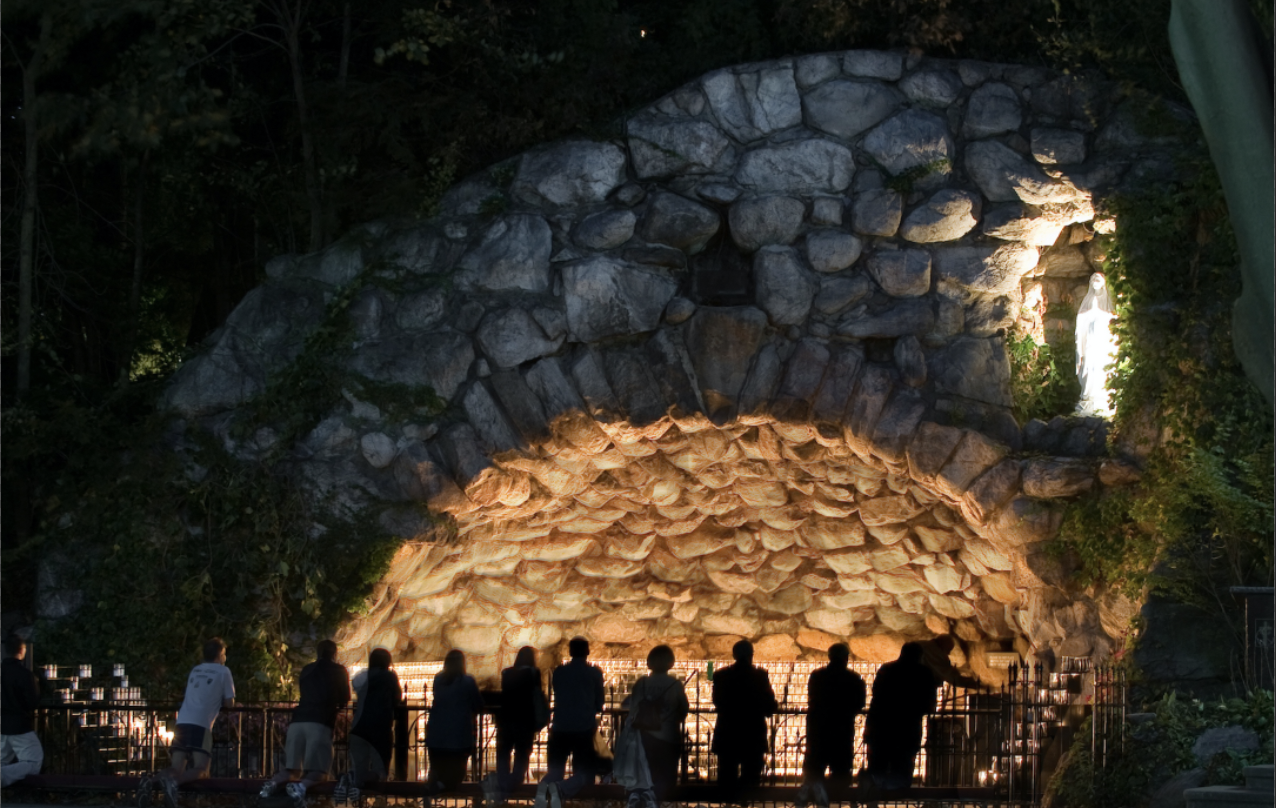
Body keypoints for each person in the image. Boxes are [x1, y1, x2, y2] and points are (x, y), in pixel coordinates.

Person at [143, 638, 235, 808]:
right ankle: (173, 784)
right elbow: (230, 703)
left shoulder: (195, 670)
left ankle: (150, 782)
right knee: (202, 769)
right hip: (201, 723)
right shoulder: (223, 672)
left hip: (183, 720)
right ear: (220, 654)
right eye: (224, 654)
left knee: (176, 767)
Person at [260, 640, 351, 808]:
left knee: (291, 770)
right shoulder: (339, 670)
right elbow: (345, 699)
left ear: (318, 652)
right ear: (335, 653)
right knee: (319, 772)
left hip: (297, 721)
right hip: (319, 722)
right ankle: (300, 787)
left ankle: (272, 783)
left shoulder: (307, 670)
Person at [535, 637, 605, 808]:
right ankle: (564, 791)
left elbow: (557, 691)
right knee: (585, 772)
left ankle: (543, 794)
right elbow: (599, 702)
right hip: (584, 728)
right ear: (587, 651)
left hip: (560, 726)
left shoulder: (559, 672)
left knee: (556, 770)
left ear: (570, 651)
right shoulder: (594, 673)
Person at [798, 643, 865, 808]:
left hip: (818, 730)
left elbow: (812, 698)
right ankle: (828, 794)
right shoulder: (854, 679)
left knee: (814, 769)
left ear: (829, 656)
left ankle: (816, 794)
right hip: (842, 731)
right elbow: (859, 704)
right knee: (842, 773)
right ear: (846, 658)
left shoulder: (816, 676)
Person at [861, 643, 936, 790]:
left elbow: (877, 694)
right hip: (908, 726)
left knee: (878, 763)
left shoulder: (886, 669)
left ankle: (874, 792)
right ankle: (897, 792)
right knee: (902, 764)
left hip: (882, 725)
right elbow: (928, 703)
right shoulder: (924, 673)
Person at [711, 640, 777, 803]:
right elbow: (769, 704)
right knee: (751, 774)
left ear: (734, 655)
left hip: (728, 731)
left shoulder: (720, 675)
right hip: (753, 732)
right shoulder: (760, 675)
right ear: (751, 655)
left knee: (727, 773)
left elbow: (718, 701)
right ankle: (745, 800)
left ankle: (729, 801)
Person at [621, 645, 688, 808]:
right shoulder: (675, 684)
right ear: (670, 663)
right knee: (666, 776)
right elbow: (683, 710)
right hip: (669, 736)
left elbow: (633, 709)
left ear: (649, 662)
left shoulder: (642, 683)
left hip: (645, 736)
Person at [335, 648, 402, 807]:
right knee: (380, 772)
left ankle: (352, 779)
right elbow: (397, 698)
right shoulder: (389, 677)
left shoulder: (361, 677)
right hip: (380, 728)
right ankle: (365, 789)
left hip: (358, 727)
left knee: (359, 767)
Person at [483, 647, 544, 805]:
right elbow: (537, 694)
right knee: (522, 753)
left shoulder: (507, 673)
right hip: (525, 719)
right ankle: (512, 783)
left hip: (507, 719)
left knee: (504, 752)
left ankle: (503, 783)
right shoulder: (533, 673)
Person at [424, 650, 484, 797]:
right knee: (456, 771)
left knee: (438, 767)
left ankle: (435, 786)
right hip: (459, 735)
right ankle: (443, 787)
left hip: (437, 733)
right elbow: (477, 703)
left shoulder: (438, 679)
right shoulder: (467, 681)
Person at [1, 635, 43, 787]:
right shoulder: (24, 674)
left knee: (2, 758)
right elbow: (32, 702)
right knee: (33, 761)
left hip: (2, 724)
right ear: (22, 650)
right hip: (20, 725)